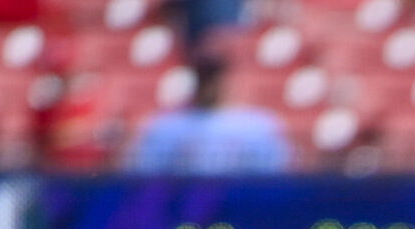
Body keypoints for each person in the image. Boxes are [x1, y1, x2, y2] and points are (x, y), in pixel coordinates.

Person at [124, 58, 290, 172]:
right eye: (205, 79)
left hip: (241, 208)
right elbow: (145, 177)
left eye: (215, 78)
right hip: (183, 211)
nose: (211, 86)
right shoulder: (165, 126)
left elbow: (275, 177)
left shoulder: (259, 125)